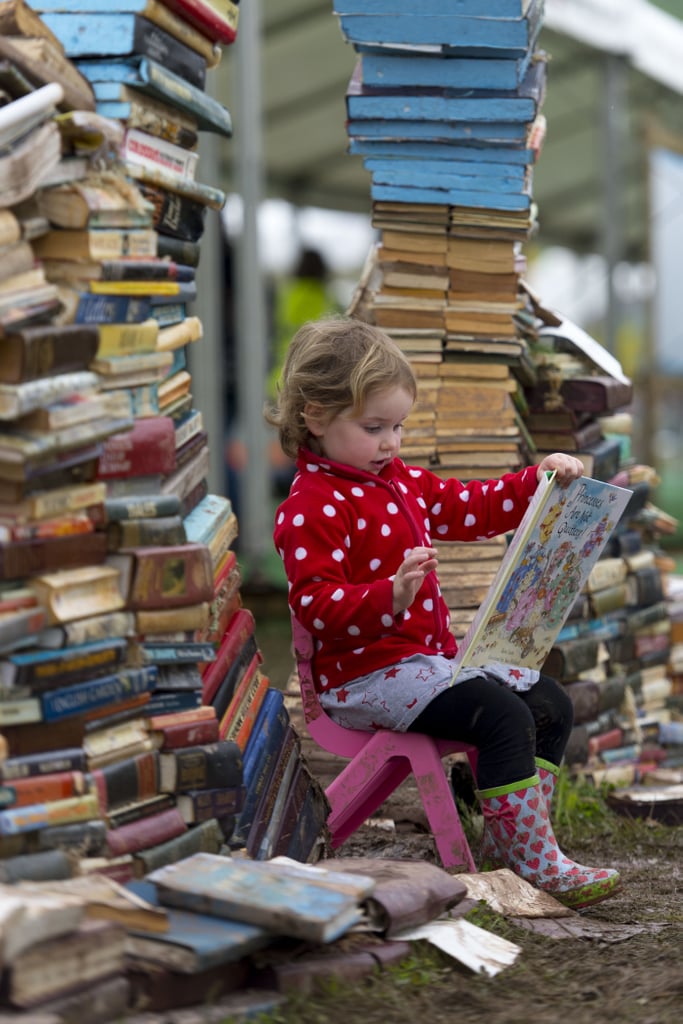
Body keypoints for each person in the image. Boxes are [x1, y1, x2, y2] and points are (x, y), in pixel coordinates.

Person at [266, 316, 620, 910]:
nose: (390, 443)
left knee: (549, 701)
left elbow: (471, 507)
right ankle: (532, 861)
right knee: (501, 713)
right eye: (373, 427)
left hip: (424, 667)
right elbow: (315, 605)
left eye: (398, 426)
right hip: (364, 679)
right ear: (315, 416)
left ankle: (521, 834)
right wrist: (390, 597)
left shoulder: (400, 481)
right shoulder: (310, 508)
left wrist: (538, 482)